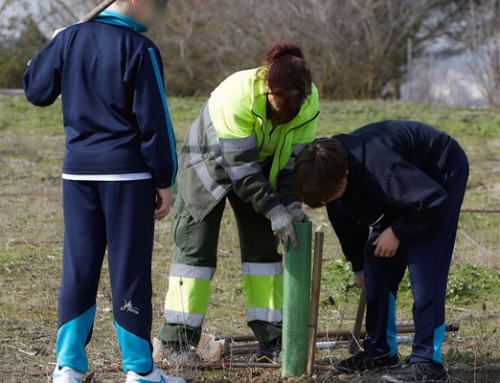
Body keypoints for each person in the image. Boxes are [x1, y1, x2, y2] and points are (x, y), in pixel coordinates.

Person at [23, 1, 184, 382]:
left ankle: (68, 367)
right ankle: (140, 371)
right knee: (129, 269)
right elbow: (155, 120)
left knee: (78, 267)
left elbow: (35, 87)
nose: (155, 12)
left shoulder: (70, 39)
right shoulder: (139, 48)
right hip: (128, 177)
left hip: (77, 175)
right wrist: (165, 179)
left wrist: (56, 43)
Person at [157, 42, 319, 364]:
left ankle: (273, 342)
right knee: (195, 253)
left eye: (292, 109)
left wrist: (291, 204)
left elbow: (292, 163)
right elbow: (241, 170)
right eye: (277, 107)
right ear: (267, 86)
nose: (283, 115)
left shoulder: (310, 102)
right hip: (209, 166)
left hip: (260, 170)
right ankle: (175, 342)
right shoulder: (237, 93)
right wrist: (273, 209)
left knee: (264, 255)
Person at [293, 121, 469, 383]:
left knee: (424, 267)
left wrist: (397, 232)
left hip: (438, 176)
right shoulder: (331, 176)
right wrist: (358, 267)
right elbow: (346, 224)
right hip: (405, 189)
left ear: (345, 174)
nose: (329, 201)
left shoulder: (381, 169)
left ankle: (428, 363)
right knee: (375, 261)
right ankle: (380, 351)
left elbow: (432, 199)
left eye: (330, 196)